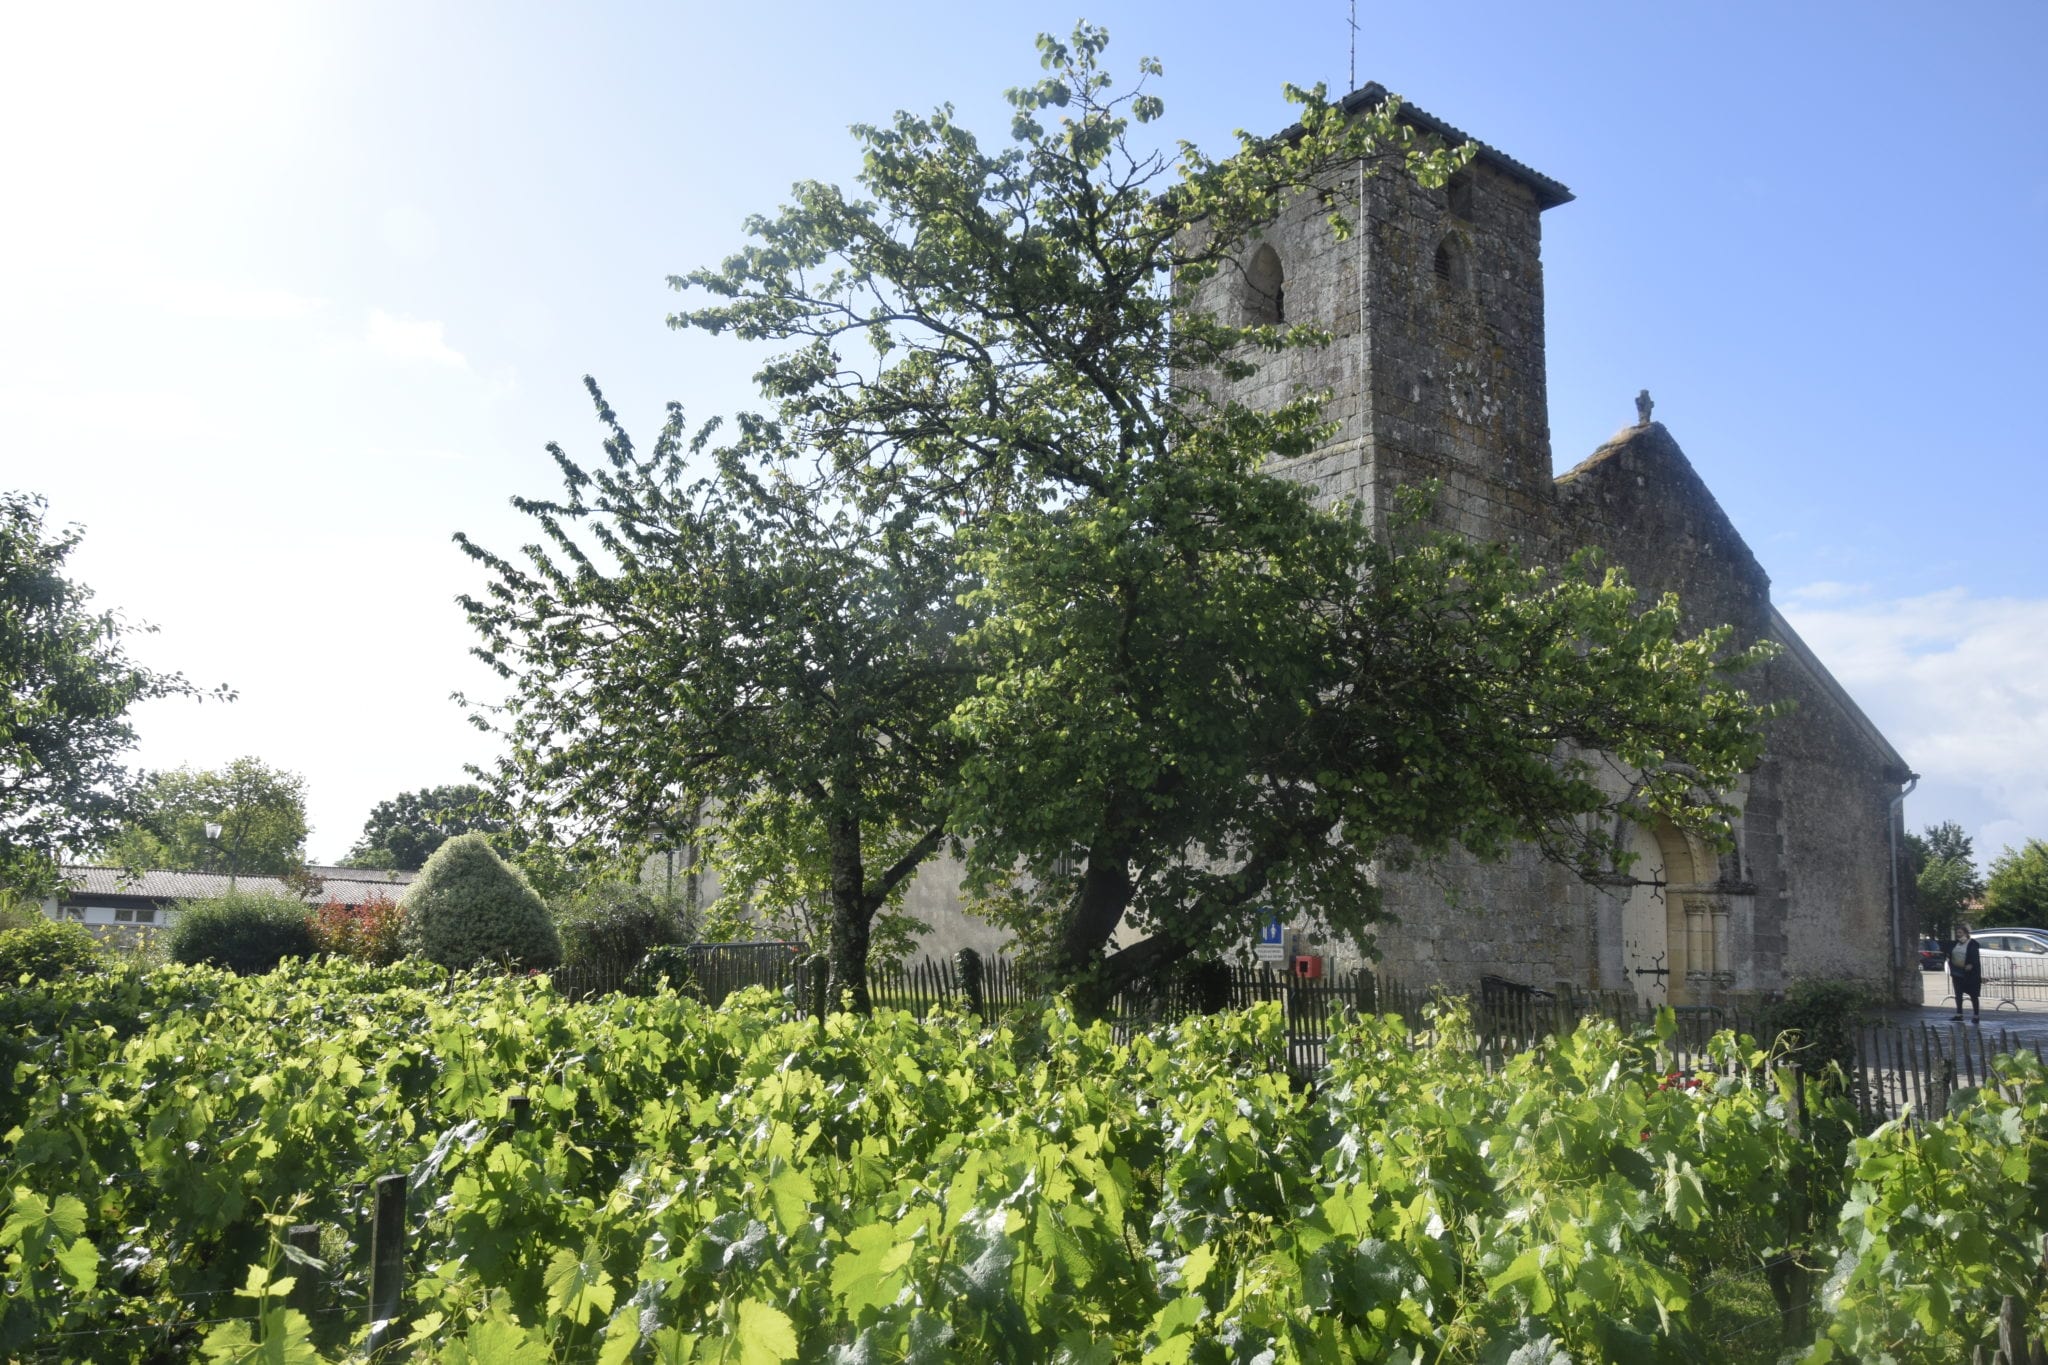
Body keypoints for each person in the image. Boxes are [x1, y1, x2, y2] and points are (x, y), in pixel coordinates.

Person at [1949, 924, 1982, 1022]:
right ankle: (1959, 1014)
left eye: (1960, 933)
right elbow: (1951, 953)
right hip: (1957, 973)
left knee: (1973, 995)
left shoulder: (1972, 944)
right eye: (1957, 933)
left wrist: (1971, 964)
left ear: (1966, 934)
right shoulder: (1956, 943)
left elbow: (1974, 957)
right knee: (1958, 994)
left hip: (1970, 974)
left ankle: (1976, 1016)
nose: (1958, 935)